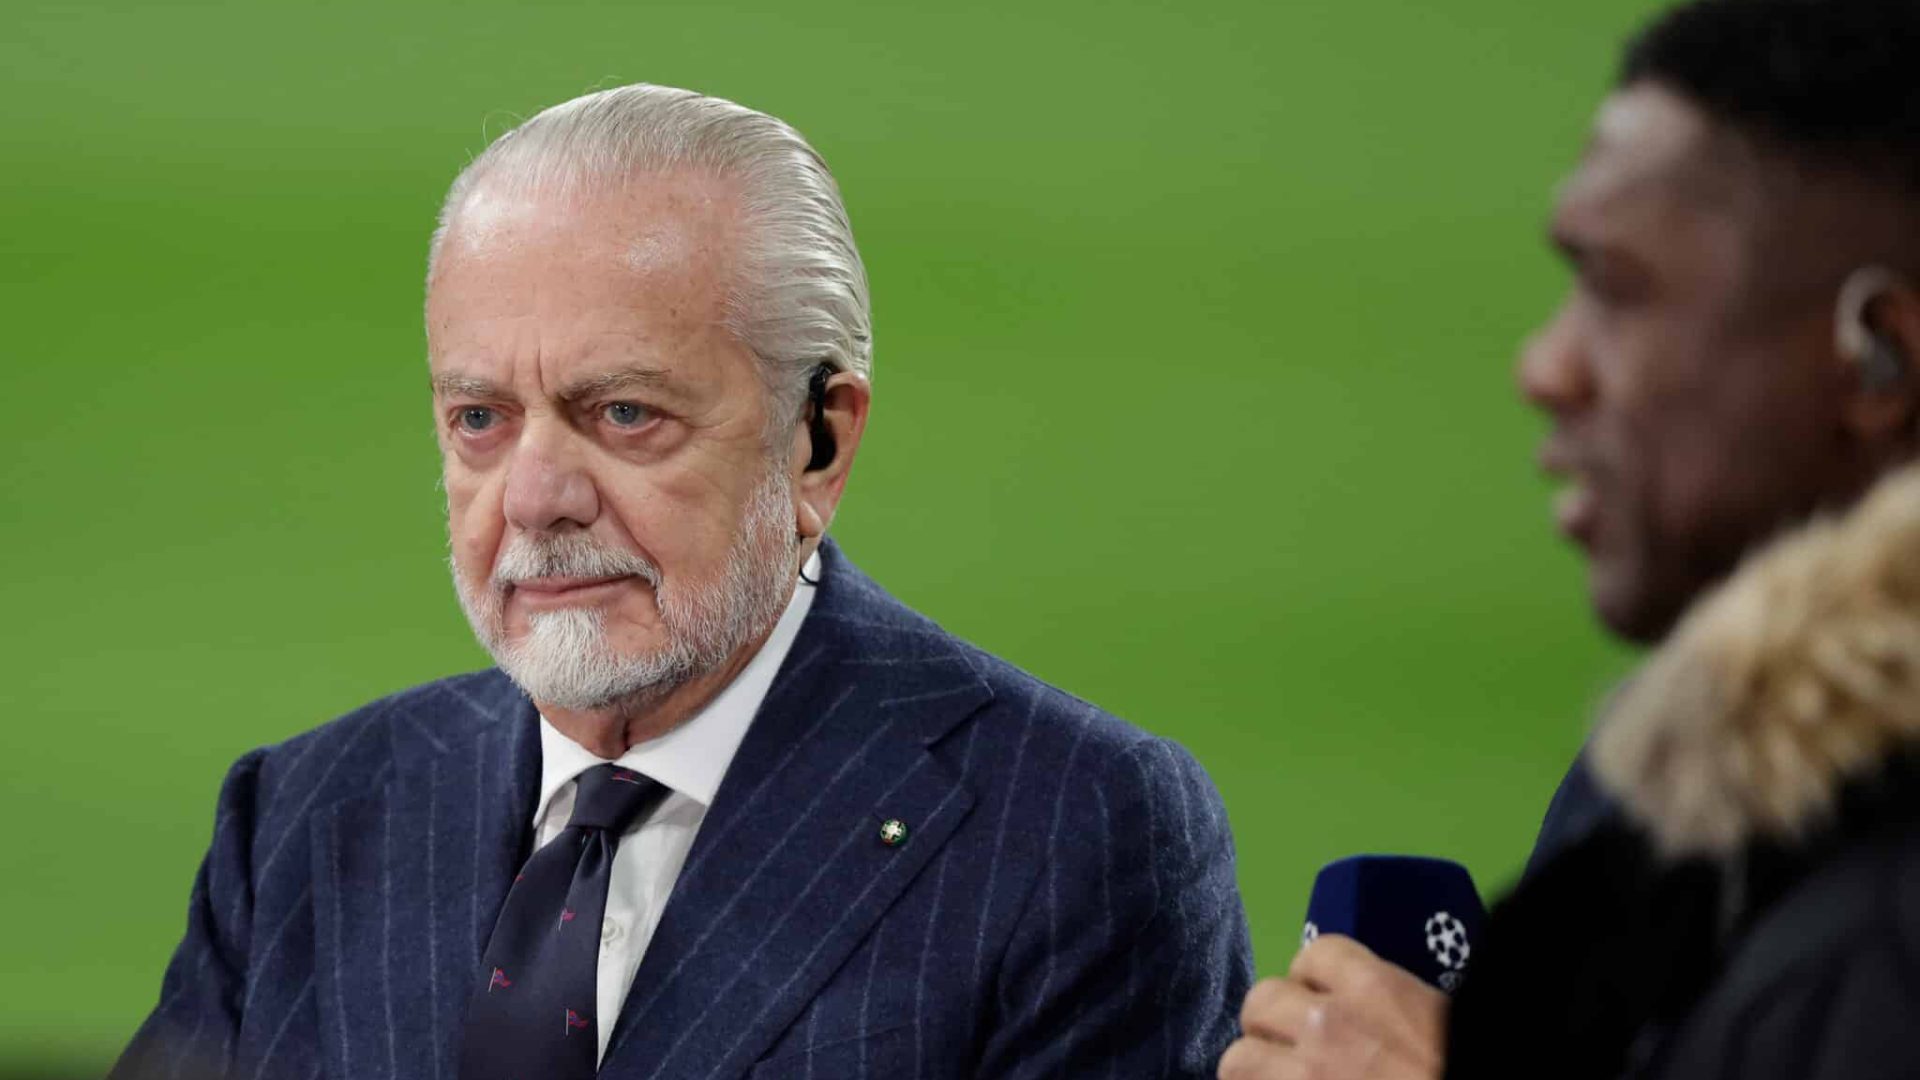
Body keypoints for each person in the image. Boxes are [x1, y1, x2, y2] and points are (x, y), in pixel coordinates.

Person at [115, 84, 1252, 1080]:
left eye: (623, 414)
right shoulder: (309, 815)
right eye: (480, 419)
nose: (534, 496)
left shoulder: (1071, 831)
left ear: (817, 444)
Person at [1221, 0, 1920, 1077]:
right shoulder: (1702, 791)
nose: (1547, 367)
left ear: (1878, 357)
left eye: (1620, 292)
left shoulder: (1877, 944)